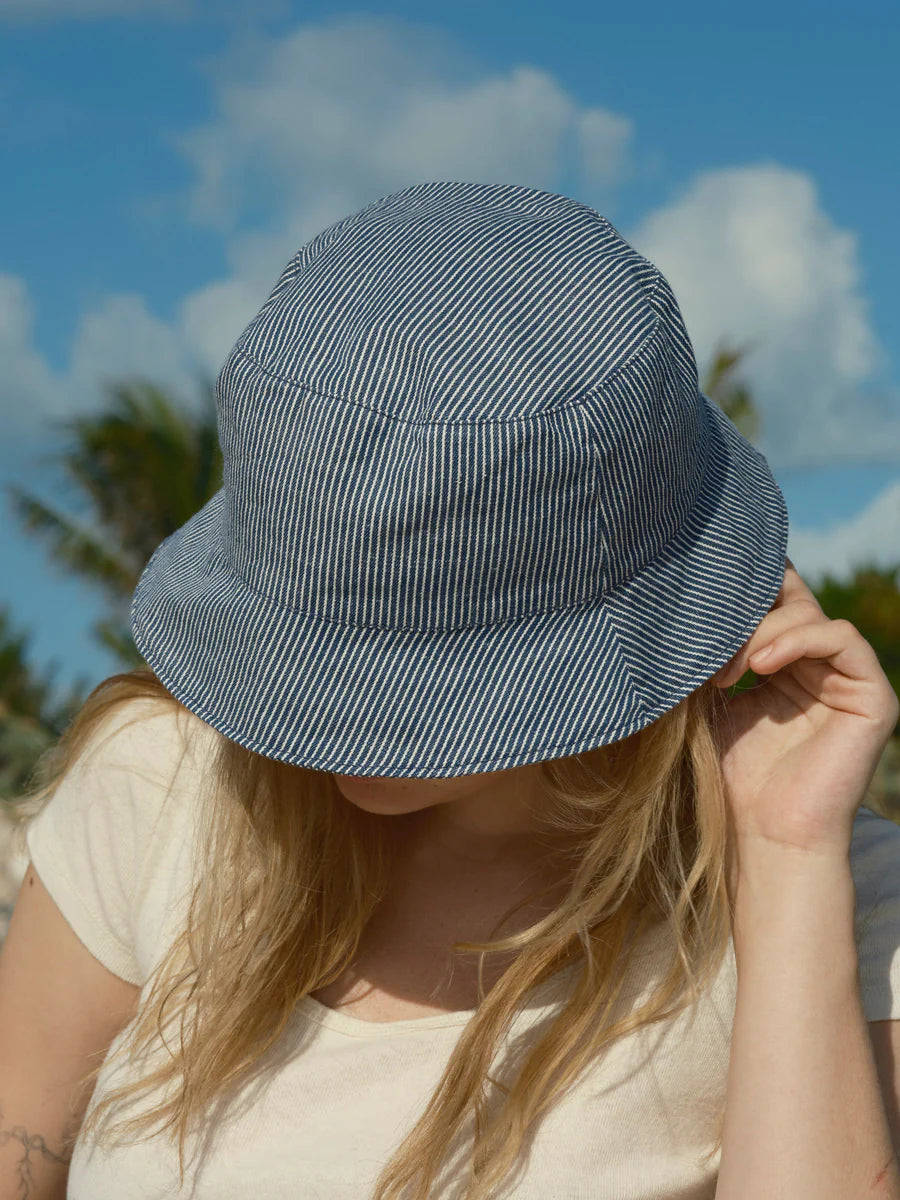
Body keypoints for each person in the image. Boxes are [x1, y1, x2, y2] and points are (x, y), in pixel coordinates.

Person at [1, 181, 899, 1200]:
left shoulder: (842, 902)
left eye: (423, 666)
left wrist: (783, 860)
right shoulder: (157, 790)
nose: (337, 723)